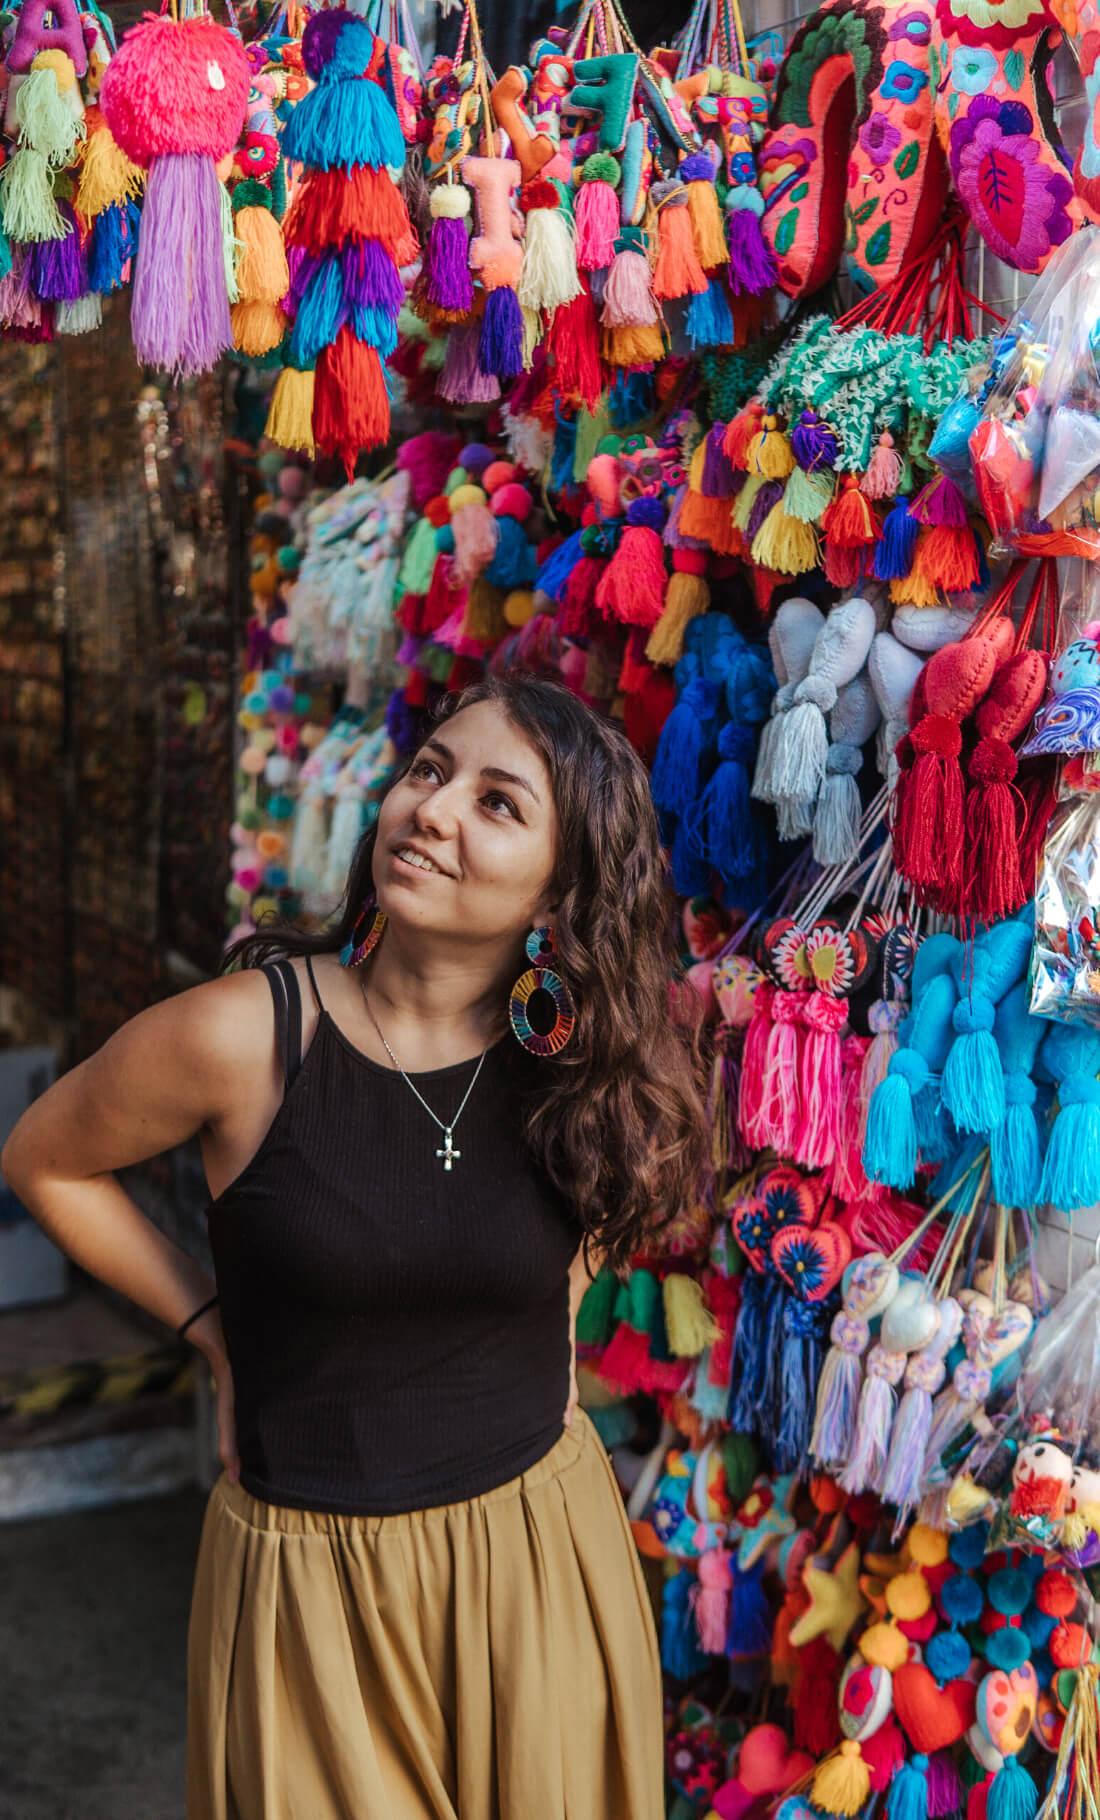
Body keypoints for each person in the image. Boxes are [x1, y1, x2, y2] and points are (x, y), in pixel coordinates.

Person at [3, 672, 708, 1820]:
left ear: (558, 890)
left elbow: (598, 1225)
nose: (430, 808)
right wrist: (217, 1337)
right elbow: (44, 1156)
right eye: (428, 770)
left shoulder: (579, 1070)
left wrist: (543, 1342)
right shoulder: (245, 1036)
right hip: (310, 1579)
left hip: (534, 1550)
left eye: (496, 801)